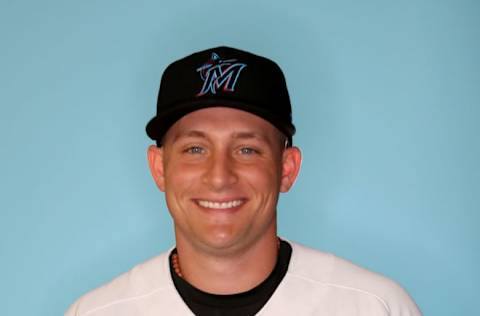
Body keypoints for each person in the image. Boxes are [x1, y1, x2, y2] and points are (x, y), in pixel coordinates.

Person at [65, 46, 422, 315]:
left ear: (287, 169)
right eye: (194, 149)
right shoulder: (99, 312)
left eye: (247, 150)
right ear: (159, 168)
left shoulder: (374, 307)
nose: (219, 177)